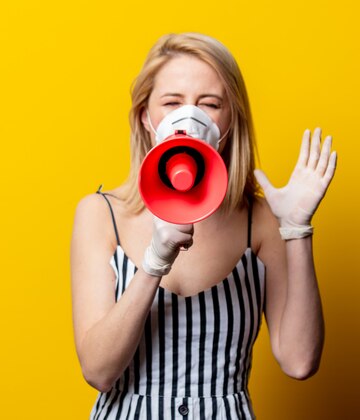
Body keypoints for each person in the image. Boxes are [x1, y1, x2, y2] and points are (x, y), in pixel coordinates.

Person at [70, 32, 337, 419]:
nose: (189, 117)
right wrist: (154, 263)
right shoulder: (100, 214)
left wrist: (296, 228)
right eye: (172, 102)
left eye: (210, 104)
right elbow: (98, 371)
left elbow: (299, 362)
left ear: (231, 119)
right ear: (146, 115)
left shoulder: (257, 221)